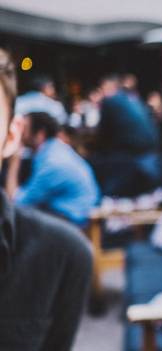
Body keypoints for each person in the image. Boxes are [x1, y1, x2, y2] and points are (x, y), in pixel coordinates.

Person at [0, 48, 92, 351]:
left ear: (14, 136)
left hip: (72, 218)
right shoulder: (52, 155)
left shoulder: (62, 255)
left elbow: (22, 200)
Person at [5, 111, 100, 226]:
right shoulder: (56, 151)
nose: (19, 134)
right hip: (77, 213)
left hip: (73, 220)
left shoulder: (51, 163)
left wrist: (14, 163)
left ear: (40, 134)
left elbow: (16, 203)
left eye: (23, 129)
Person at [90, 74, 162, 197]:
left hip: (132, 156)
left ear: (109, 87)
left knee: (95, 163)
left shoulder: (110, 101)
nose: (101, 92)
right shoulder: (133, 99)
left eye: (102, 88)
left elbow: (103, 136)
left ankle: (103, 200)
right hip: (152, 155)